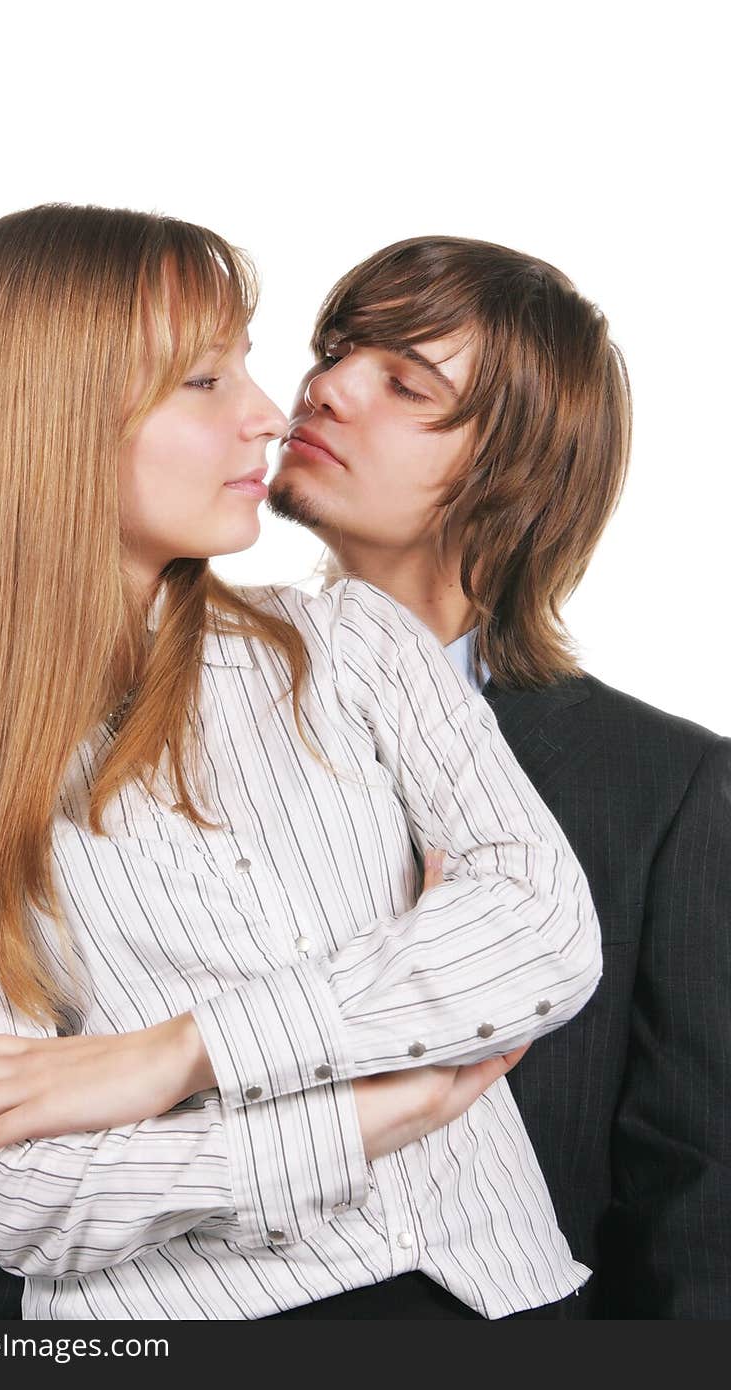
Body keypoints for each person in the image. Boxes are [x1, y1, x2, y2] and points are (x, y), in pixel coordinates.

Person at [0, 206, 603, 1322]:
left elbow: (543, 926)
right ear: (47, 423)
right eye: (204, 382)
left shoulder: (354, 643)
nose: (268, 415)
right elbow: (15, 1191)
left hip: (506, 1300)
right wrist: (373, 1112)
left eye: (249, 369)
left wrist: (173, 1058)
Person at [266, 235, 731, 1317]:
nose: (324, 386)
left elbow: (695, 1211)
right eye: (334, 351)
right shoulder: (150, 707)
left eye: (402, 382)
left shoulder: (662, 790)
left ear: (509, 472)